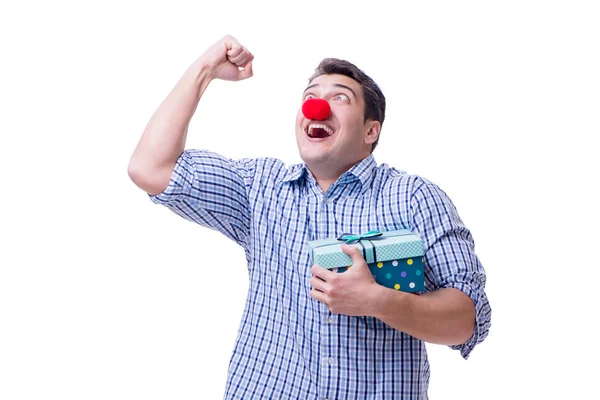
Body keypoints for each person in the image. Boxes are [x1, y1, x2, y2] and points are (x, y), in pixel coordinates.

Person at [128, 35, 491, 399]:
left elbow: (468, 320)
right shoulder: (261, 188)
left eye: (340, 98)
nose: (318, 106)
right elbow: (151, 167)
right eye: (311, 97)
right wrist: (205, 68)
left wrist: (377, 300)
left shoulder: (414, 198)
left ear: (371, 130)